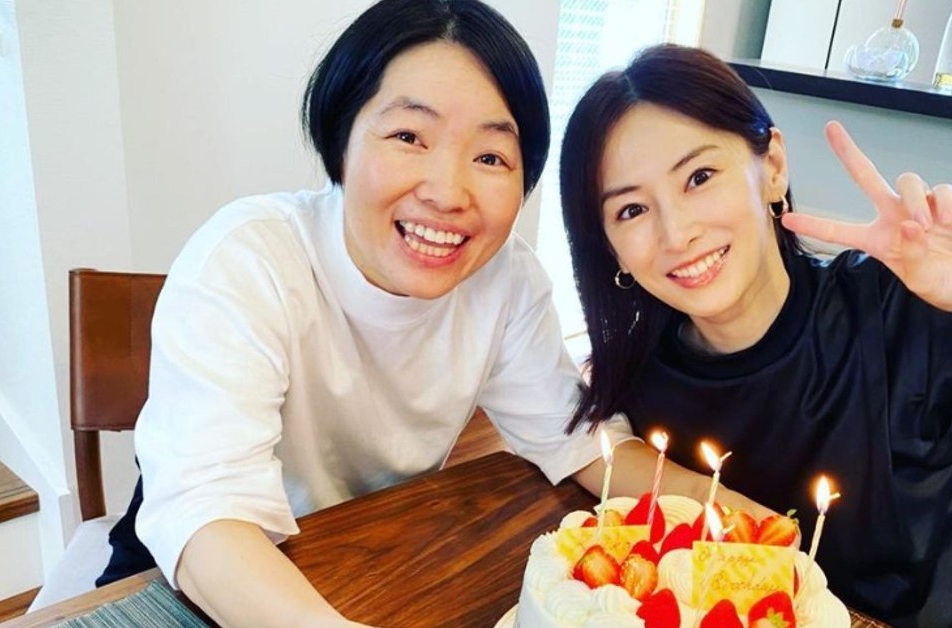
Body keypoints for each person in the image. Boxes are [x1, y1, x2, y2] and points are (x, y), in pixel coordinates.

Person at [559, 44, 952, 628]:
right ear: (608, 245)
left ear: (772, 167)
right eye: (631, 210)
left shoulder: (895, 302)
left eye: (699, 177)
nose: (676, 233)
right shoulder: (639, 374)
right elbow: (581, 453)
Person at [89, 1, 647, 626]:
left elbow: (577, 442)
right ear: (342, 141)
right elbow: (206, 515)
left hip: (361, 558)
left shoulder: (506, 278)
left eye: (491, 157)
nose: (447, 193)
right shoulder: (249, 258)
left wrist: (725, 510)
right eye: (409, 137)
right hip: (189, 580)